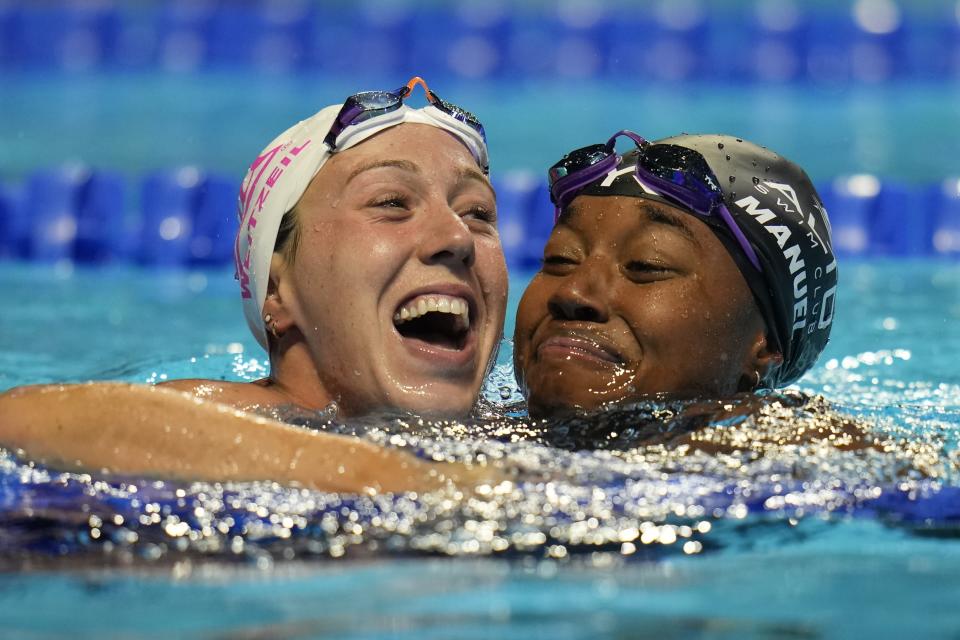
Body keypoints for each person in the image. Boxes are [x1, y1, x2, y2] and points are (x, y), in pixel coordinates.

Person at [0, 77, 508, 491]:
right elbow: (22, 420)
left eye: (479, 212)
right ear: (275, 293)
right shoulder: (242, 416)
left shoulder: (516, 430)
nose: (456, 236)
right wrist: (389, 477)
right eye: (392, 202)